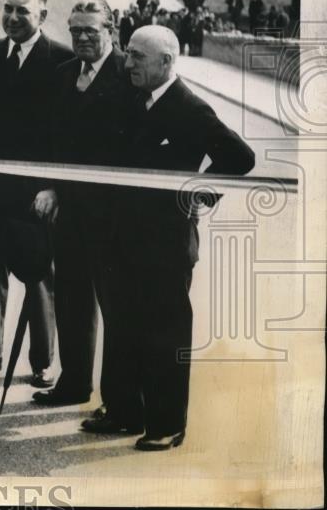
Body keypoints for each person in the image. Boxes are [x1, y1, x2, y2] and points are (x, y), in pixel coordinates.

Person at [101, 26, 254, 451]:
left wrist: (200, 189)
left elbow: (240, 157)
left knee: (165, 335)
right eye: (128, 54)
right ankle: (126, 413)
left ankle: (167, 424)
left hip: (166, 244)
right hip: (124, 239)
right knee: (126, 327)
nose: (128, 63)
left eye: (138, 57)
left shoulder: (189, 107)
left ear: (166, 62)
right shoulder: (133, 99)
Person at [0, 0, 73, 385]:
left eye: (21, 11)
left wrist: (51, 185)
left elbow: (65, 131)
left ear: (42, 16)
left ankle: (42, 362)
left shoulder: (63, 59)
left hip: (35, 190)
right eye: (7, 8)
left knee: (38, 274)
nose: (11, 17)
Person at [30, 0, 135, 413]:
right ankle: (73, 383)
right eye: (75, 31)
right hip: (69, 213)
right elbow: (50, 139)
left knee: (117, 309)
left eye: (91, 30)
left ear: (110, 30)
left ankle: (120, 400)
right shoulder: (63, 75)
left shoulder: (129, 74)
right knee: (72, 300)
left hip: (114, 216)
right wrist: (49, 185)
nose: (82, 38)